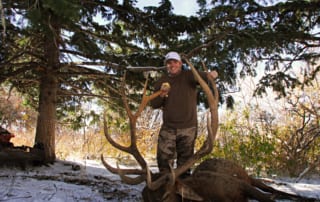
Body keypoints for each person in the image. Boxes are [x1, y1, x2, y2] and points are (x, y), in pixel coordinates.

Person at [150, 51, 218, 177]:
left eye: (175, 62)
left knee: (185, 164)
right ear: (166, 65)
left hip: (188, 128)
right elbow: (154, 104)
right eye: (169, 63)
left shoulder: (189, 75)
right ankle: (165, 189)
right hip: (168, 128)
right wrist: (162, 96)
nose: (172, 65)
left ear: (180, 63)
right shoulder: (161, 81)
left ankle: (182, 191)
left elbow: (206, 76)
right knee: (164, 162)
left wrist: (211, 74)